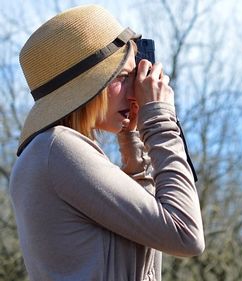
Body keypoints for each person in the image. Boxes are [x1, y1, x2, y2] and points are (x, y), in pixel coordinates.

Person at [8, 4, 204, 281]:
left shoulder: (47, 154)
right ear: (89, 87)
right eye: (122, 77)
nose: (135, 92)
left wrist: (131, 136)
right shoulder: (58, 148)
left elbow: (148, 232)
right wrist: (159, 119)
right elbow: (186, 233)